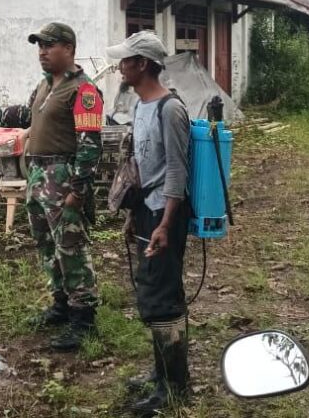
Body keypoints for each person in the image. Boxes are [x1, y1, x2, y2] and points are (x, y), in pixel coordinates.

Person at [0, 22, 103, 352]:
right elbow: (22, 114)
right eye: (39, 46)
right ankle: (61, 305)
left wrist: (79, 190)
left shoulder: (84, 91)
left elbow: (89, 145)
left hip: (62, 177)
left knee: (71, 247)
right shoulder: (46, 85)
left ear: (69, 49)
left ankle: (83, 319)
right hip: (38, 176)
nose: (42, 52)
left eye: (49, 45)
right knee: (48, 246)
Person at [106, 31, 191, 415]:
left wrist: (164, 225)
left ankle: (174, 388)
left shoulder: (169, 109)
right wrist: (131, 215)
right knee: (151, 293)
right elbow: (140, 168)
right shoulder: (140, 106)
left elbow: (177, 170)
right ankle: (161, 374)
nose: (120, 66)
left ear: (142, 64)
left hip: (166, 214)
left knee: (163, 295)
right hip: (146, 210)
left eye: (126, 60)